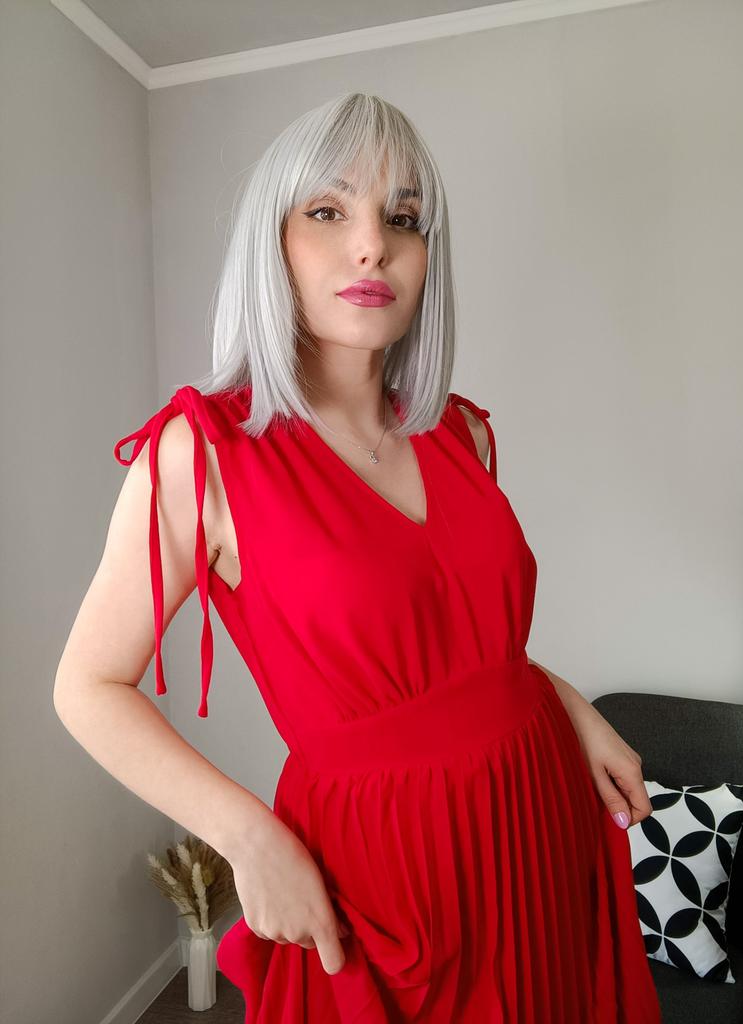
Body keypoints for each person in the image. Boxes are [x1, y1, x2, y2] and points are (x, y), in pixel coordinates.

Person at [54, 92, 662, 1022]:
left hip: (535, 815)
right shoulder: (204, 454)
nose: (373, 245)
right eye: (328, 211)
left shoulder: (462, 434)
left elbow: (461, 641)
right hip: (379, 873)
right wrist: (247, 836)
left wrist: (568, 706)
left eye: (403, 219)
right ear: (273, 245)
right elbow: (88, 686)